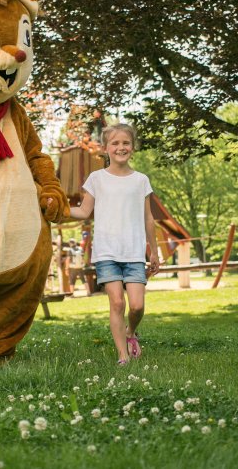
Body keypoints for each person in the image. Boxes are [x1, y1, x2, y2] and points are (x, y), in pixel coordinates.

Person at [67, 123, 160, 365]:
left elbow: (149, 219)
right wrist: (58, 210)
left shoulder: (141, 180)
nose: (121, 147)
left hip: (134, 253)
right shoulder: (96, 179)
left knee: (137, 306)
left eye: (126, 143)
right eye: (115, 143)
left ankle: (130, 332)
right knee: (117, 302)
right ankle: (123, 356)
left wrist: (154, 252)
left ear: (133, 147)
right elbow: (84, 210)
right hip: (106, 252)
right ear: (105, 148)